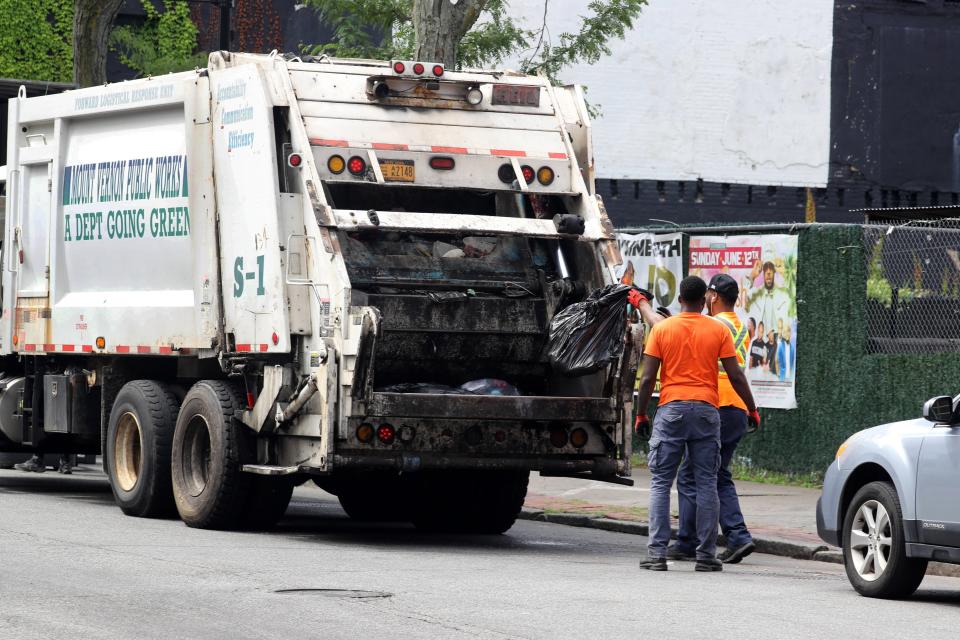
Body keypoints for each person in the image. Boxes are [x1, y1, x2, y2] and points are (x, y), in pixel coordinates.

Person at [634, 276, 758, 572]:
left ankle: (657, 554)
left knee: (662, 482)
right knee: (707, 483)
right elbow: (736, 374)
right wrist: (751, 408)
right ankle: (705, 556)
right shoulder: (717, 330)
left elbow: (648, 377)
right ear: (704, 301)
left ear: (679, 300)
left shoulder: (663, 329)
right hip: (706, 411)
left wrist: (641, 414)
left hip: (671, 410)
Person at [669, 274, 758, 565]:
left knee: (692, 475)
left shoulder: (714, 325)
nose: (705, 299)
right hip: (736, 409)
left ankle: (688, 541)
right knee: (717, 473)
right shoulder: (740, 325)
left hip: (715, 404)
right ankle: (737, 537)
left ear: (714, 297)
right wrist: (752, 408)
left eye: (708, 294)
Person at [744, 260, 790, 336]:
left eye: (771, 270)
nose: (768, 273)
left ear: (774, 274)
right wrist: (752, 276)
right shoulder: (756, 294)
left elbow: (791, 294)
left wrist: (783, 273)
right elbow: (745, 301)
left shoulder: (782, 294)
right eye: (766, 271)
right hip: (761, 340)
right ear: (763, 275)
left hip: (777, 340)